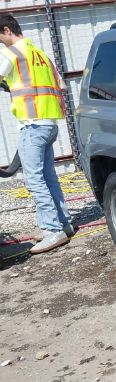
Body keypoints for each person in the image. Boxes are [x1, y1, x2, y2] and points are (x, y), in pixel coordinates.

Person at [0, 13, 74, 253]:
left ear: (6, 30)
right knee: (49, 177)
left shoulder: (12, 53)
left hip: (32, 125)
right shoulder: (40, 54)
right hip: (49, 124)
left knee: (34, 180)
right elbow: (61, 85)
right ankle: (65, 224)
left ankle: (53, 231)